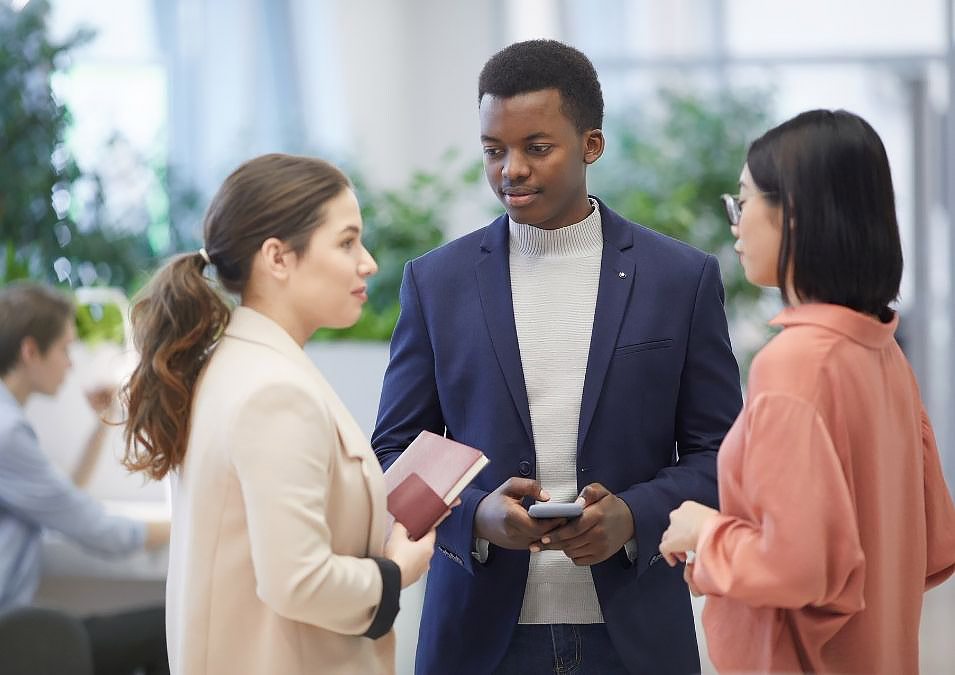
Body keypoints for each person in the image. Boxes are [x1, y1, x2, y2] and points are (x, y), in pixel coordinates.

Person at [372, 40, 742, 674]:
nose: (510, 169)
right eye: (494, 151)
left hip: (633, 636)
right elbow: (396, 449)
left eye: (535, 148)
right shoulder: (437, 283)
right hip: (480, 639)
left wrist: (633, 517)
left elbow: (724, 454)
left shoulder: (678, 278)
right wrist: (476, 514)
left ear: (591, 146)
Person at [121, 153, 443, 675]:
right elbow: (298, 580)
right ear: (277, 258)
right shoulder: (273, 390)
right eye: (346, 242)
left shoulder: (235, 363)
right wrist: (396, 571)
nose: (368, 262)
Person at [659, 109, 955, 673]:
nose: (735, 224)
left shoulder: (794, 364)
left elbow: (797, 568)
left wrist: (706, 530)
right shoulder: (883, 353)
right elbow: (935, 547)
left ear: (791, 213)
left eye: (743, 203)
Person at [0, 281, 170, 674]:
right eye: (64, 348)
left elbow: (61, 500)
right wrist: (192, 524)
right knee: (166, 628)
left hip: (15, 625)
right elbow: (101, 533)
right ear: (30, 352)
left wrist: (100, 425)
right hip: (9, 636)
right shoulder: (8, 432)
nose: (70, 363)